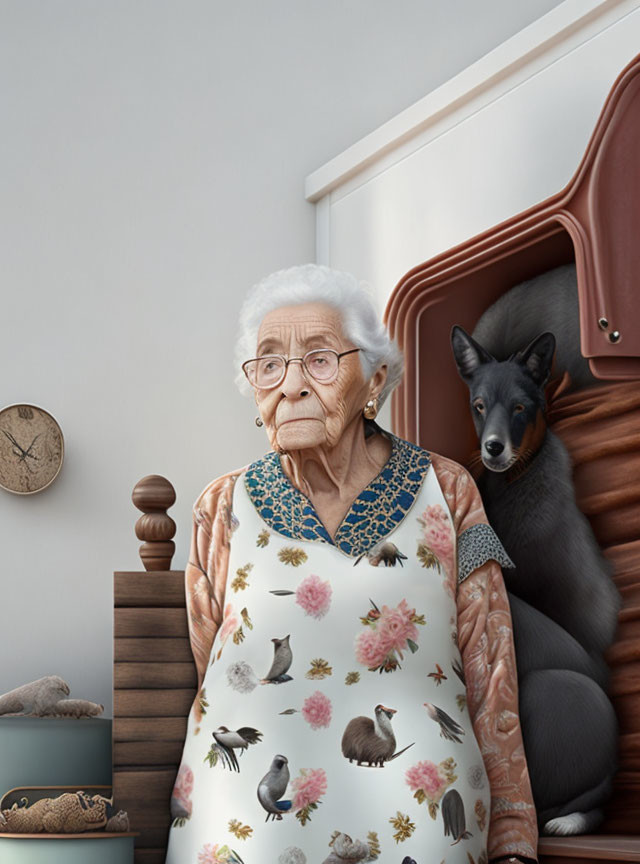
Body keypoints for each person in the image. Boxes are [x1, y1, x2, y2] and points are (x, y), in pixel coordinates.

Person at [165, 264, 538, 864]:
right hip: (241, 830)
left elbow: (492, 667)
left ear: (376, 378)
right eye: (269, 363)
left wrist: (515, 837)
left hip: (421, 822)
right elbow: (210, 661)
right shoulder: (218, 508)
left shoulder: (451, 490)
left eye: (318, 359)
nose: (290, 386)